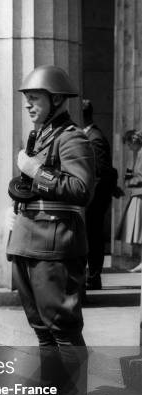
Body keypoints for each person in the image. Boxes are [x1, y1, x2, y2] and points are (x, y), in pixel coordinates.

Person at [6, 65, 95, 395]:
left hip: (57, 247)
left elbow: (80, 189)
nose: (28, 104)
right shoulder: (39, 137)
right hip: (29, 241)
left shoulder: (72, 139)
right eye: (27, 99)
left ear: (56, 100)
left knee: (63, 332)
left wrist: (34, 168)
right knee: (43, 332)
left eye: (35, 98)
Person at [82, 99, 123, 290]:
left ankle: (94, 276)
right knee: (91, 236)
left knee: (93, 237)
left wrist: (90, 198)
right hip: (94, 197)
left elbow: (102, 171)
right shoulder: (90, 135)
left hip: (95, 199)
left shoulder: (94, 137)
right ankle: (92, 276)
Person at [115, 129, 142, 273]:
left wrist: (130, 181)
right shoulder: (137, 154)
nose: (129, 147)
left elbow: (140, 176)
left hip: (140, 195)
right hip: (137, 194)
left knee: (138, 230)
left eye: (129, 144)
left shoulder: (141, 154)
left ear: (134, 141)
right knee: (136, 231)